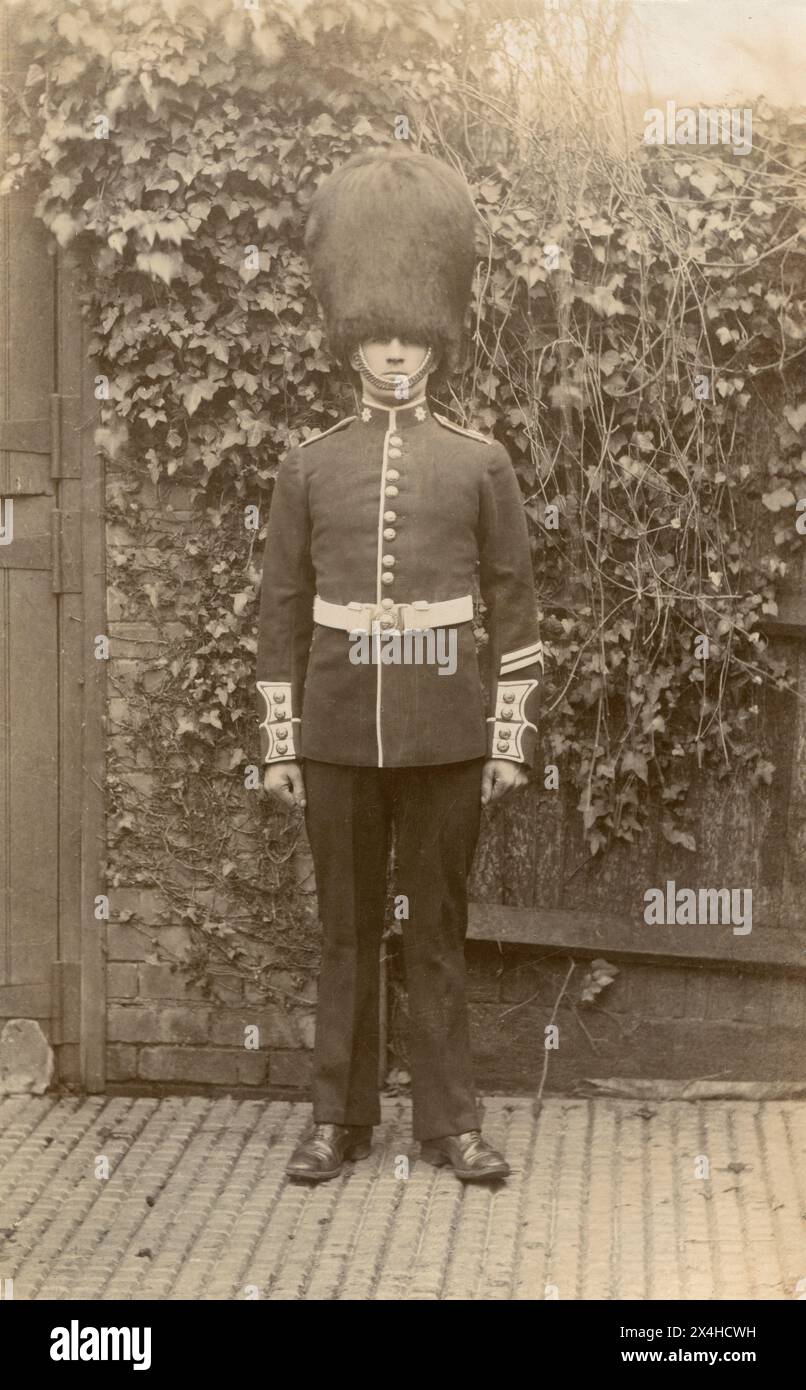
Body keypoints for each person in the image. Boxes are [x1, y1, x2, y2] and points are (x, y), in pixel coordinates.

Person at [256, 149, 543, 1182]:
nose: (393, 357)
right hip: (334, 733)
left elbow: (514, 606)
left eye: (410, 337)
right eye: (377, 337)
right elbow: (281, 609)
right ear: (350, 340)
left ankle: (447, 1124)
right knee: (344, 933)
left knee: (434, 936)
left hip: (442, 733)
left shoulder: (478, 461)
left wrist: (506, 739)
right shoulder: (309, 464)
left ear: (435, 340)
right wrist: (279, 744)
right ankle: (337, 1119)